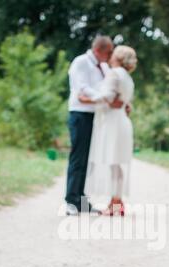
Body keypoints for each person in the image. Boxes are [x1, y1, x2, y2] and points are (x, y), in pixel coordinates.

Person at [65, 36, 122, 216]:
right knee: (77, 158)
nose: (111, 55)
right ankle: (71, 201)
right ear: (98, 50)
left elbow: (107, 87)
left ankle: (80, 199)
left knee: (87, 160)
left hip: (95, 115)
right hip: (79, 114)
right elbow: (81, 88)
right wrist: (105, 99)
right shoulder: (80, 62)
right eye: (109, 52)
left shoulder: (104, 67)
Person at [79, 46, 137, 216]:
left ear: (118, 57)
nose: (110, 57)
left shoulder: (114, 73)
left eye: (113, 54)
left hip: (113, 122)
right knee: (117, 164)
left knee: (113, 162)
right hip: (123, 121)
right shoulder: (127, 77)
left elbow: (106, 96)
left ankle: (115, 204)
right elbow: (121, 100)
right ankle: (117, 202)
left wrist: (86, 99)